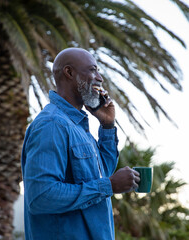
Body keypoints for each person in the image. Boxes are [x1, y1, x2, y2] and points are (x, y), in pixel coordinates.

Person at [21, 48, 140, 240]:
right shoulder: (52, 124)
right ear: (69, 73)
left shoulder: (77, 127)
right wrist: (108, 186)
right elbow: (41, 196)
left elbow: (102, 173)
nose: (100, 78)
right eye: (93, 70)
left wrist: (107, 125)